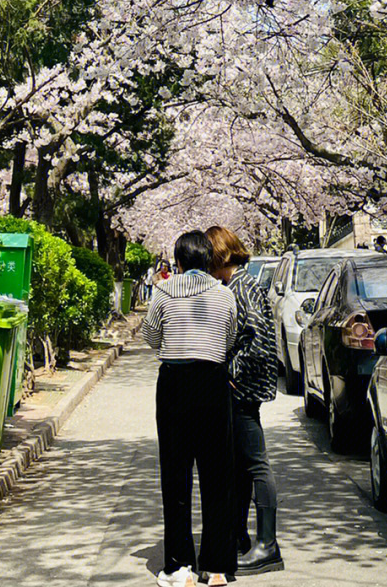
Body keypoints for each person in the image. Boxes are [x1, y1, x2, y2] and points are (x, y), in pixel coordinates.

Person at [142, 230, 239, 587]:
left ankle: (180, 566)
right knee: (217, 476)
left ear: (179, 262)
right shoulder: (223, 295)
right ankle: (216, 568)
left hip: (174, 385)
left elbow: (151, 337)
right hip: (213, 383)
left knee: (176, 475)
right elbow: (228, 338)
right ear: (208, 259)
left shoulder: (163, 292)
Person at [206, 225, 284, 576]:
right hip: (244, 386)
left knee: (255, 463)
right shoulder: (239, 284)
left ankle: (268, 545)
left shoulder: (242, 287)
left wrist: (230, 374)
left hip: (243, 388)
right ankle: (239, 536)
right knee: (240, 464)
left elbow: (253, 338)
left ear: (219, 254)